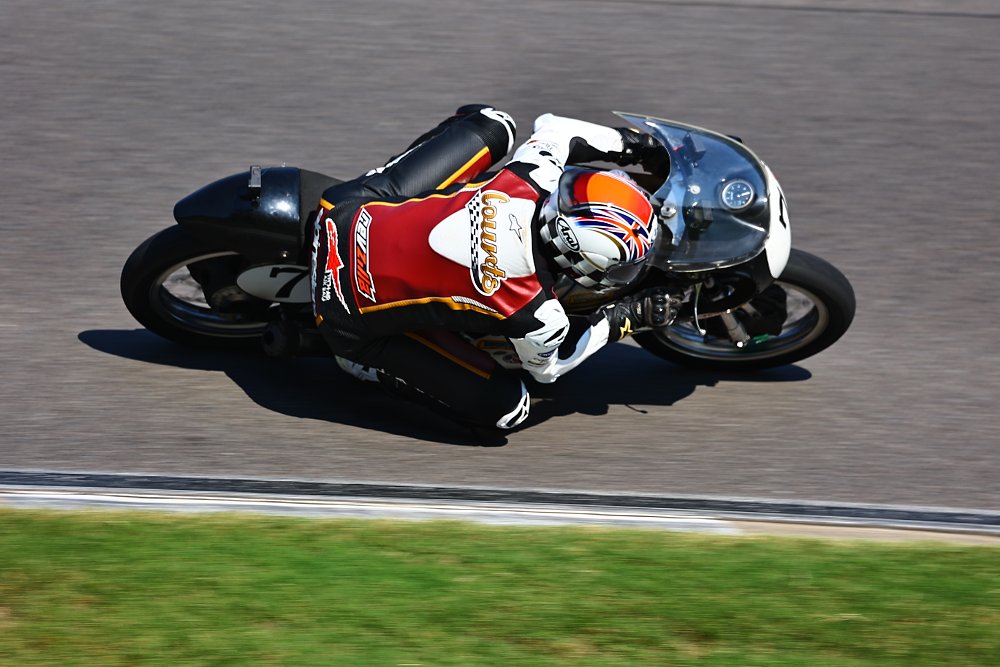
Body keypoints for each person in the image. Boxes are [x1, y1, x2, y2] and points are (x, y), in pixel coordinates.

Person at [311, 105, 675, 430]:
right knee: (509, 410)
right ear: (580, 261)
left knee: (493, 122)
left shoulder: (530, 177)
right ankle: (366, 366)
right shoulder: (537, 312)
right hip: (343, 318)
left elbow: (557, 126)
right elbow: (550, 369)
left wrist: (636, 146)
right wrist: (625, 317)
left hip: (342, 212)